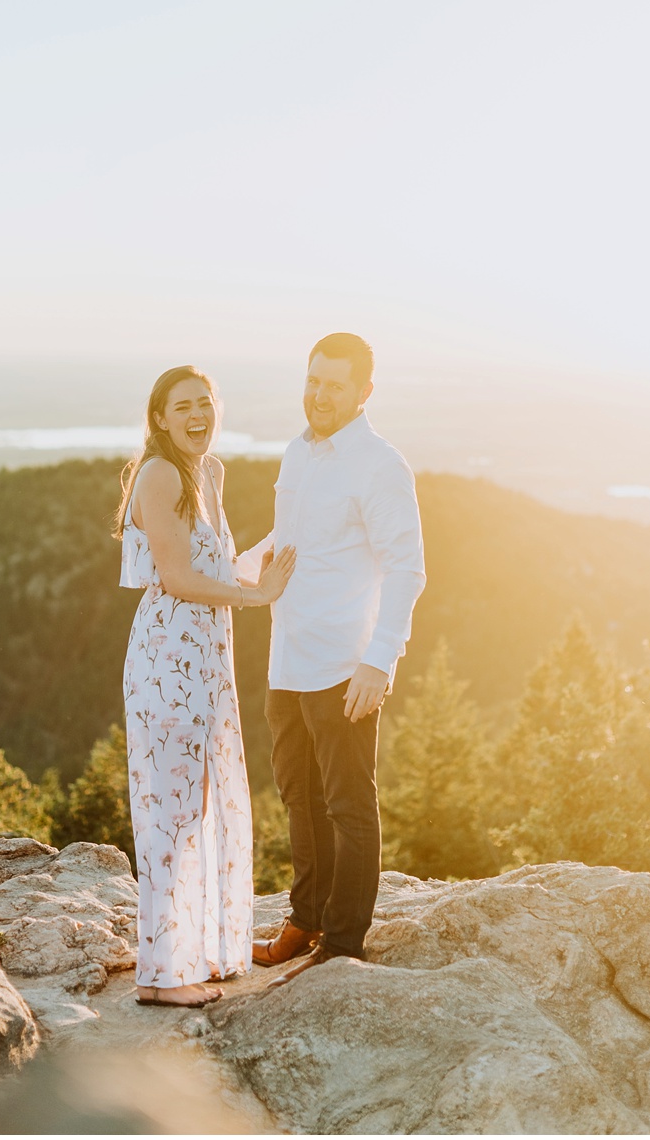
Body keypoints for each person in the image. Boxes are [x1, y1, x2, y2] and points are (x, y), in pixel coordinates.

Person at [238, 333, 426, 985]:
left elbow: (406, 568)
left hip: (346, 661)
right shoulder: (298, 450)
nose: (319, 394)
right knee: (298, 794)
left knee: (347, 802)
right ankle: (306, 917)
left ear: (363, 393)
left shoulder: (379, 465)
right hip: (286, 655)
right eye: (313, 380)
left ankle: (343, 944)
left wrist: (380, 661)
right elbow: (291, 537)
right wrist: (236, 569)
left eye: (334, 385)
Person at [115, 365, 295, 1008]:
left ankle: (200, 950)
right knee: (171, 811)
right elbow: (179, 577)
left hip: (208, 663)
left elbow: (214, 565)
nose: (198, 415)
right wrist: (259, 598)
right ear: (159, 418)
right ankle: (162, 977)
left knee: (203, 806)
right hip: (168, 660)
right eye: (182, 406)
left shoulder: (209, 472)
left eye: (206, 403)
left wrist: (267, 565)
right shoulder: (159, 474)